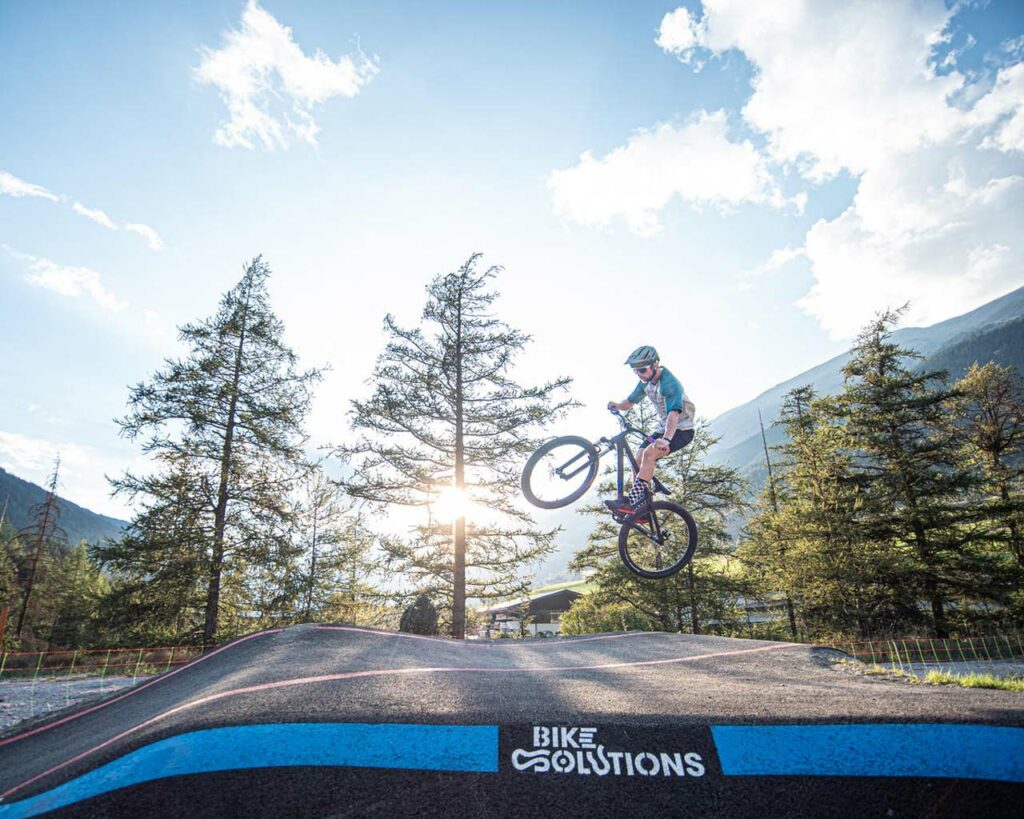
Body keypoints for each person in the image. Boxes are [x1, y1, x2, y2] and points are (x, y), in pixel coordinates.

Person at [605, 345, 695, 518]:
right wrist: (617, 405)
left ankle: (631, 501)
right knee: (636, 460)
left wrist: (667, 440)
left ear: (655, 365)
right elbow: (629, 402)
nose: (639, 374)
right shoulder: (646, 383)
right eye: (635, 371)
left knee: (649, 454)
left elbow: (673, 414)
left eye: (642, 370)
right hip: (663, 428)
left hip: (681, 430)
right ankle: (642, 507)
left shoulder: (669, 384)